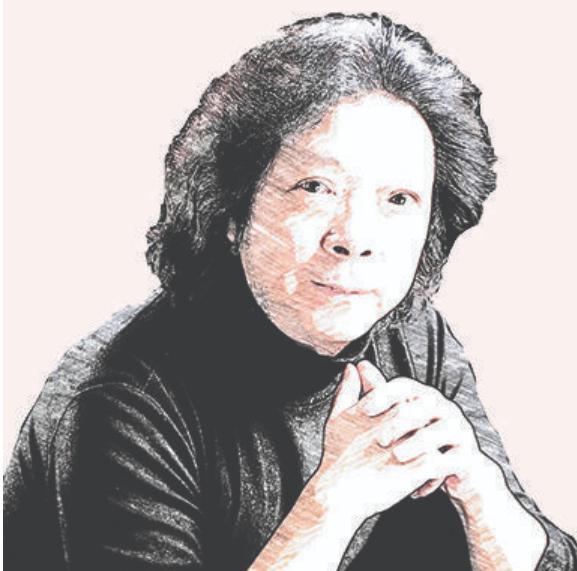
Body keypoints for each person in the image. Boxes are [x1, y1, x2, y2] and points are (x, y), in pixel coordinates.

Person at [4, 12, 576, 570]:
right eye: (315, 187)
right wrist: (334, 503)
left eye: (399, 199)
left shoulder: (415, 338)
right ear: (233, 211)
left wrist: (479, 490)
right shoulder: (119, 399)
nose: (355, 238)